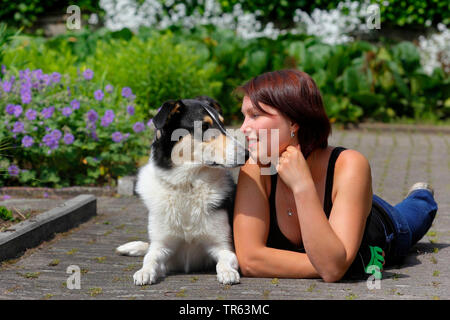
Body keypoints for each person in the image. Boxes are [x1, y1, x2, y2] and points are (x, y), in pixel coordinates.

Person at [233, 69, 438, 282]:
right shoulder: (254, 168)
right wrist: (331, 264)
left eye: (255, 115)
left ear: (294, 122)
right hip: (345, 204)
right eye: (244, 116)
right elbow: (249, 260)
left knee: (416, 212)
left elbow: (331, 270)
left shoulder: (349, 165)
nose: (243, 128)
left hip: (383, 224)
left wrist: (302, 186)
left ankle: (421, 194)